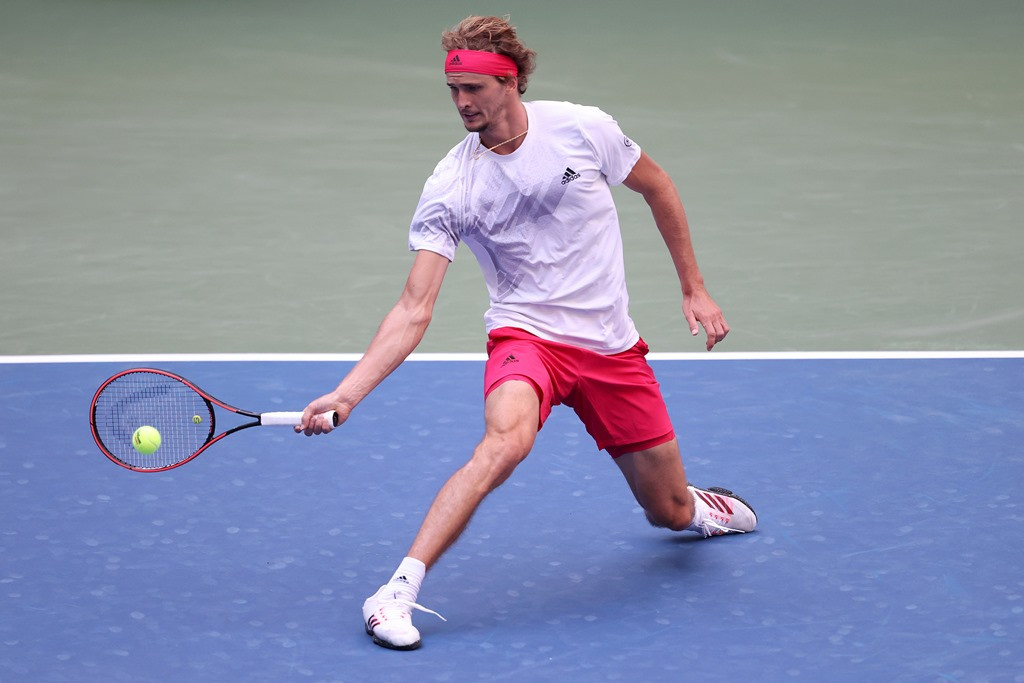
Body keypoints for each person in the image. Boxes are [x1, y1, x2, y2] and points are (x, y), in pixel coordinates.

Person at [296, 15, 756, 651]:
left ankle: (698, 508)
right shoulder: (451, 185)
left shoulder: (583, 129)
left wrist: (694, 287)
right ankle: (397, 589)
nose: (460, 103)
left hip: (610, 348)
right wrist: (348, 393)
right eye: (451, 90)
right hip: (527, 337)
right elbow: (413, 308)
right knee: (505, 442)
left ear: (510, 82)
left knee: (667, 512)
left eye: (474, 89)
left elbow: (658, 187)